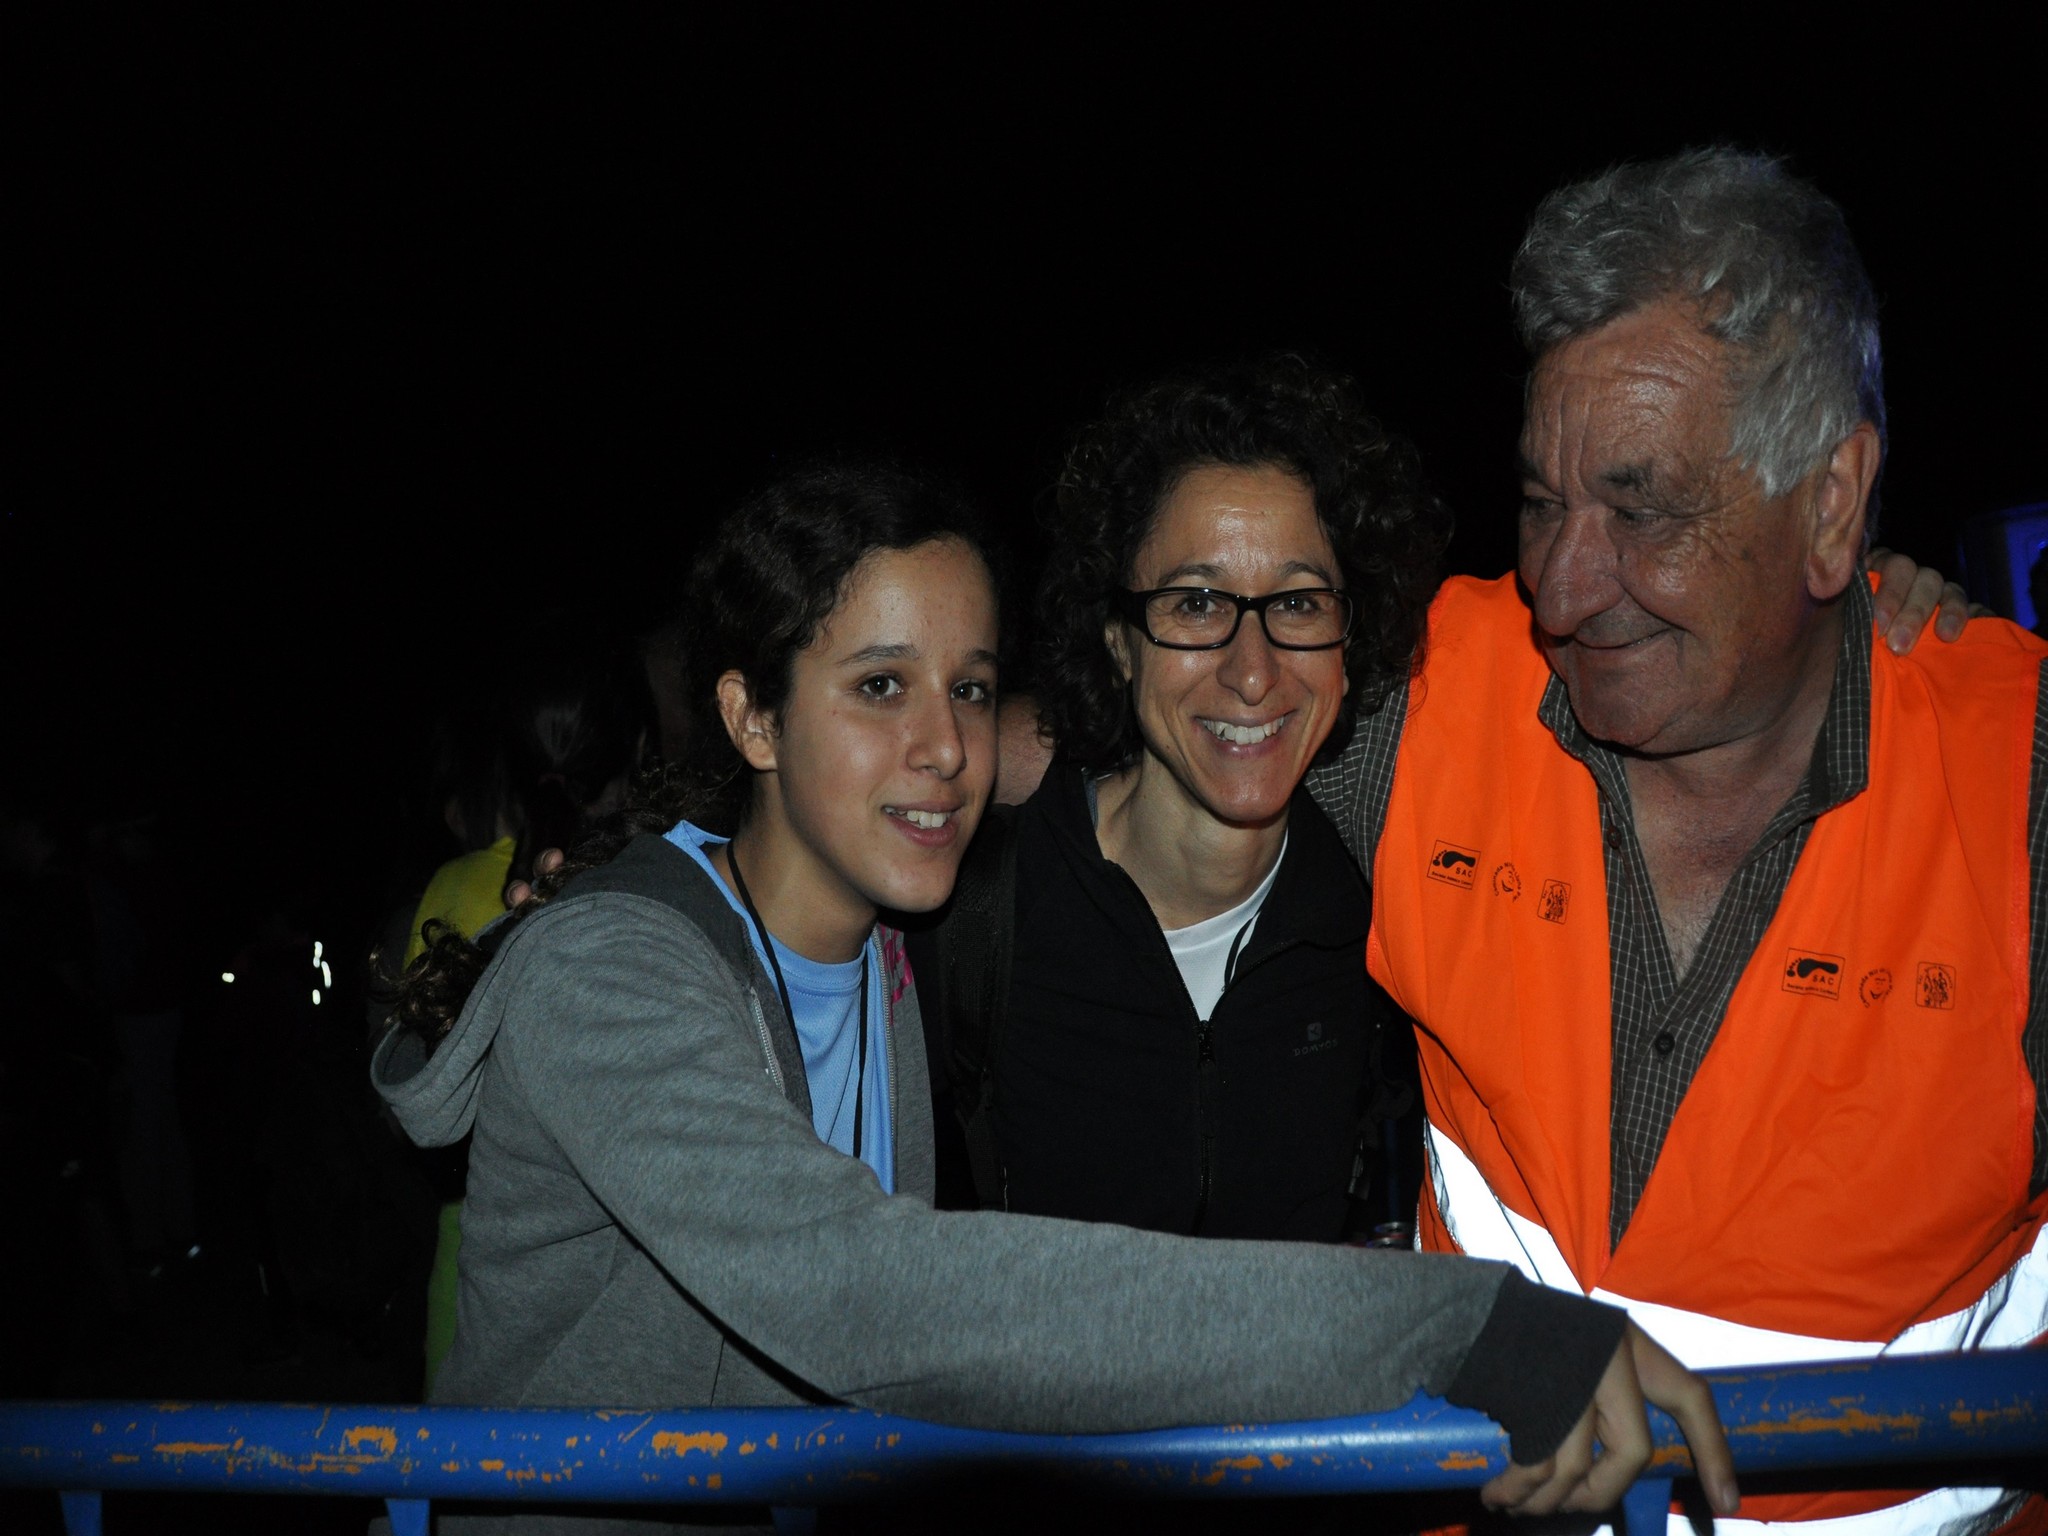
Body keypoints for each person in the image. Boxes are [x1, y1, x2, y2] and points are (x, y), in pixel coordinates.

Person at [376, 462, 1735, 1534]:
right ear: (751, 718)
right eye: (879, 686)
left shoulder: (888, 949)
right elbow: (869, 1298)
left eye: (968, 687)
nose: (944, 745)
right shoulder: (612, 973)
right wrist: (1460, 1325)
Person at [1297, 150, 2046, 1536]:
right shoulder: (1422, 696)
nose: (1562, 586)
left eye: (1642, 511)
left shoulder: (2025, 789)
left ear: (1831, 504)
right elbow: (1119, 729)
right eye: (1542, 502)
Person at [913, 354, 1438, 1241]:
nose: (1252, 671)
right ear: (1119, 642)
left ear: (1350, 643)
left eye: (1299, 604)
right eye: (1196, 604)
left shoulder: (1385, 919)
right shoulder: (972, 918)